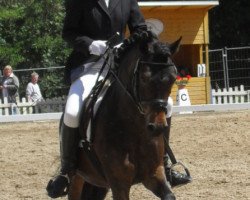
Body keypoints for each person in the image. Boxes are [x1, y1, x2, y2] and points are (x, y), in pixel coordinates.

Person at [47, 0, 190, 197]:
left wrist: (133, 42)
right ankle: (66, 171)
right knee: (72, 111)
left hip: (120, 64)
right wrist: (90, 45)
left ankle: (164, 164)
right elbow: (69, 33)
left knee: (168, 104)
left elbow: (139, 28)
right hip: (90, 65)